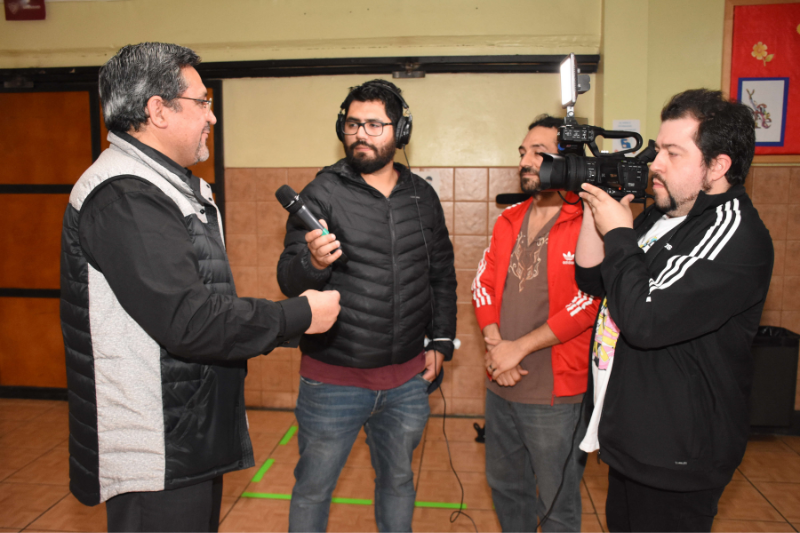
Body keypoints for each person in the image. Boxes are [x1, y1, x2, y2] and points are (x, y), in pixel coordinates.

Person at [59, 42, 340, 533]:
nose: (212, 116)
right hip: (156, 448)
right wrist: (299, 314)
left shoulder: (166, 185)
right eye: (202, 102)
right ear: (157, 110)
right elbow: (191, 320)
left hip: (185, 434)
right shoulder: (125, 197)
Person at [575, 89, 773, 532]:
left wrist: (621, 236)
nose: (655, 163)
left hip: (677, 454)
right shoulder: (661, 215)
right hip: (632, 439)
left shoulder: (734, 233)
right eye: (658, 149)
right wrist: (596, 212)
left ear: (718, 166)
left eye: (672, 153)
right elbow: (592, 280)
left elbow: (646, 320)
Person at [277, 79, 457, 532]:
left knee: (397, 481)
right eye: (354, 123)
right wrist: (313, 262)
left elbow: (441, 275)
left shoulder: (422, 197)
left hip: (406, 382)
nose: (362, 133)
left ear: (401, 131)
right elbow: (288, 277)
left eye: (375, 124)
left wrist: (440, 341)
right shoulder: (322, 192)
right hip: (332, 381)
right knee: (313, 488)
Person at [472, 115, 599, 531]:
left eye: (538, 153)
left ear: (569, 162)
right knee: (506, 488)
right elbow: (482, 284)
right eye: (523, 152)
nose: (525, 161)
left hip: (555, 393)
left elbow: (590, 301)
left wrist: (517, 348)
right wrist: (496, 346)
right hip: (501, 381)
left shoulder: (590, 220)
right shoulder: (508, 218)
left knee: (557, 503)